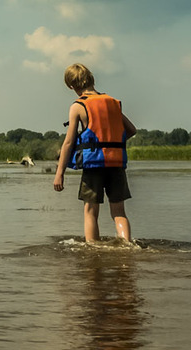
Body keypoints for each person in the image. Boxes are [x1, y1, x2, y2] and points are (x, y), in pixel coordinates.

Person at [52, 63, 136, 243]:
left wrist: (60, 173)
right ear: (91, 79)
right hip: (116, 164)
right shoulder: (112, 103)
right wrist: (112, 144)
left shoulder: (78, 106)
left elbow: (69, 142)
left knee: (90, 211)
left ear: (71, 86)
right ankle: (128, 247)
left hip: (94, 166)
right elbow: (131, 130)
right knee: (119, 212)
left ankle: (93, 251)